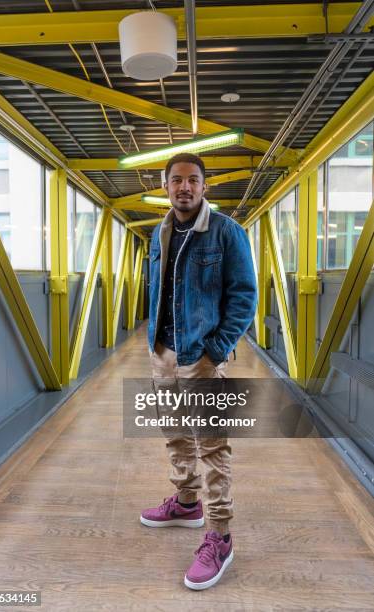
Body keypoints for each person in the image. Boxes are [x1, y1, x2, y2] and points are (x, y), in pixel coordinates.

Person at [140, 152, 257, 590]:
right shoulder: (161, 231)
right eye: (176, 181)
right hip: (163, 351)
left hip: (201, 355)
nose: (184, 187)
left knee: (211, 446)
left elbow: (244, 296)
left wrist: (216, 349)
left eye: (192, 180)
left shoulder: (227, 232)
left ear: (205, 186)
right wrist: (154, 341)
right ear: (165, 187)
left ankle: (220, 536)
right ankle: (187, 503)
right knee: (173, 433)